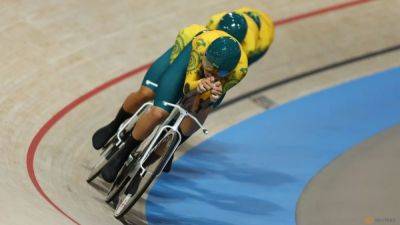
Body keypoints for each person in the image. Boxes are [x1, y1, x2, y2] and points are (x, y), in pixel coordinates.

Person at [94, 28, 248, 183]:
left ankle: (143, 168)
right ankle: (121, 153)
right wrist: (198, 86)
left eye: (219, 72)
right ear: (206, 55)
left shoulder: (240, 70)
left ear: (229, 71)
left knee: (190, 123)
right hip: (185, 69)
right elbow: (188, 86)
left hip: (212, 80)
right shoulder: (200, 43)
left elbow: (209, 100)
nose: (211, 72)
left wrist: (212, 96)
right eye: (209, 65)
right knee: (158, 113)